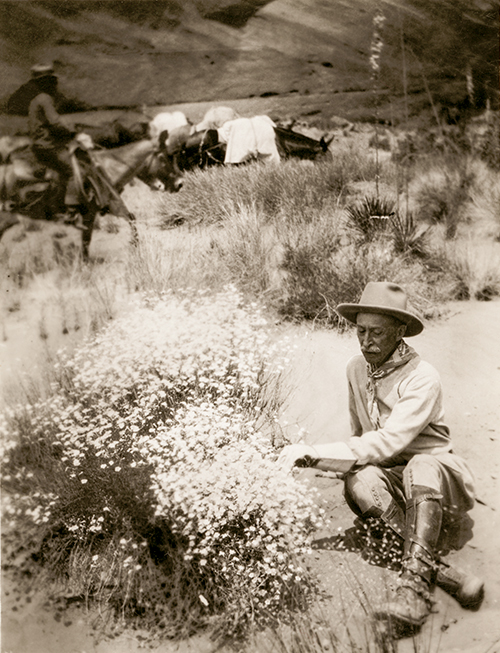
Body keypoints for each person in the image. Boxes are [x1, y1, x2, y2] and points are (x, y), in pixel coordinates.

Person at [277, 281, 484, 638]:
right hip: (394, 478)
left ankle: (413, 590)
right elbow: (361, 438)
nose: (366, 341)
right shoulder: (356, 369)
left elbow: (389, 442)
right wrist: (327, 464)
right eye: (361, 331)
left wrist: (314, 454)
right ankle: (442, 572)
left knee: (420, 464)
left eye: (377, 332)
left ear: (400, 332)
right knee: (357, 481)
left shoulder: (422, 377)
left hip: (438, 480)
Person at [27, 63, 81, 224]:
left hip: (39, 145)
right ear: (46, 83)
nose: (54, 84)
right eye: (51, 81)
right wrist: (73, 131)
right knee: (73, 171)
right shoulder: (45, 99)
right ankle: (70, 210)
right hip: (47, 146)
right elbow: (55, 122)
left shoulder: (35, 100)